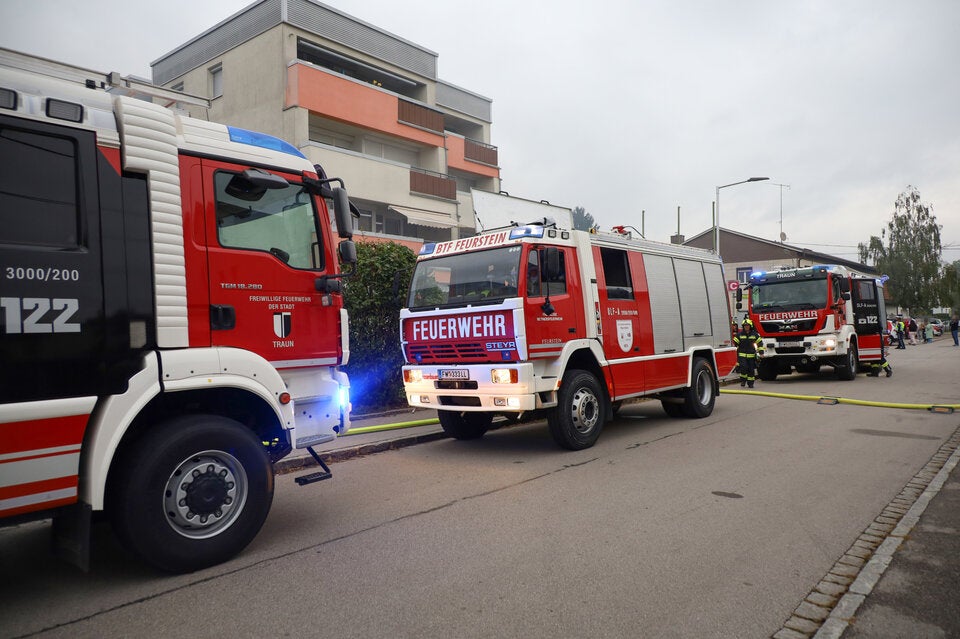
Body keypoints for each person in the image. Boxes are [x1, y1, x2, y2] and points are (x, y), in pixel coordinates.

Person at [734, 318, 764, 388]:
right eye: (745, 326)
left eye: (747, 325)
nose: (746, 327)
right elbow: (735, 344)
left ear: (750, 326)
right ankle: (743, 380)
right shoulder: (739, 335)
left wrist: (761, 353)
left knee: (751, 370)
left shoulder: (755, 334)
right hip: (742, 356)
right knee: (744, 368)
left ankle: (750, 383)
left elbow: (760, 343)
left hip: (751, 356)